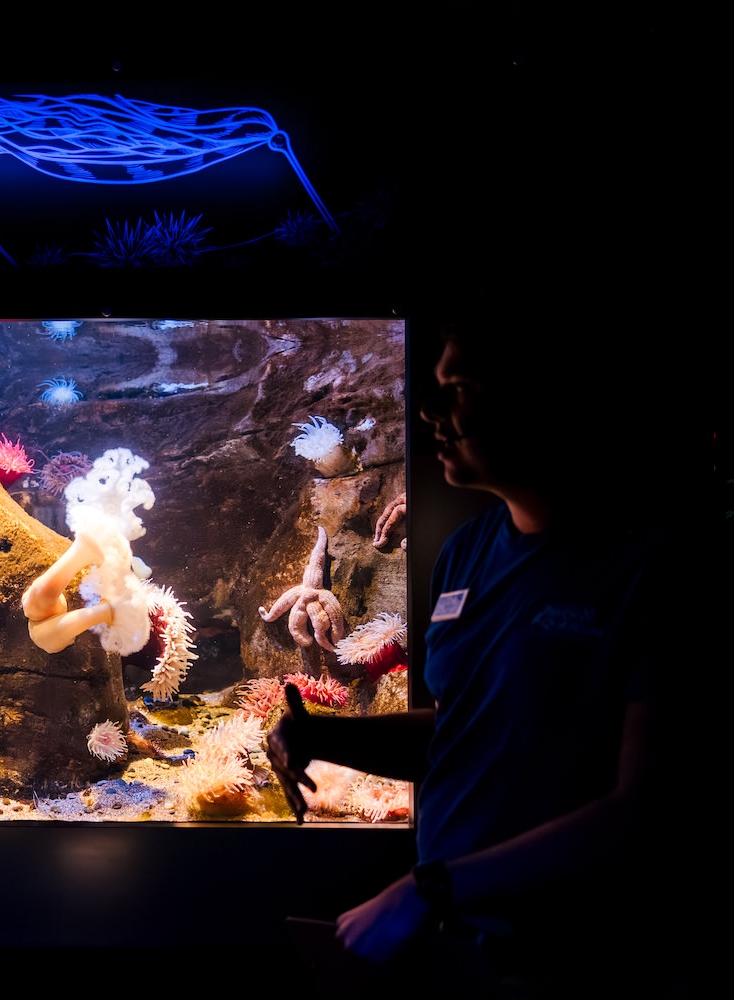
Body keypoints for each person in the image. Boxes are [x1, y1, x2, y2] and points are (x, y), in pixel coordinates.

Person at [267, 318, 687, 997]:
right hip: (458, 942)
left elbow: (644, 809)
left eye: (457, 388)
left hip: (583, 957)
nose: (431, 411)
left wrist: (426, 889)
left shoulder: (649, 567)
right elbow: (466, 731)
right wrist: (324, 736)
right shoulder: (467, 552)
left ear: (541, 400)